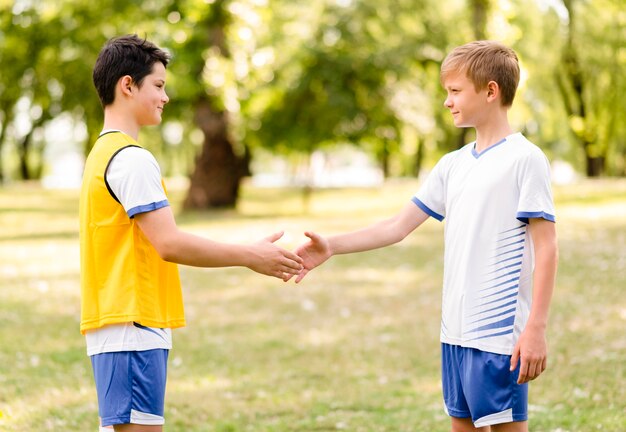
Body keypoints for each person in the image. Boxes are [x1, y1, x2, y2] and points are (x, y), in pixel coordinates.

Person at [290, 40, 558, 432]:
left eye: (454, 91)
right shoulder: (452, 165)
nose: (447, 102)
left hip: (499, 338)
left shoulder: (526, 159)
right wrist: (332, 246)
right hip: (454, 333)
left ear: (490, 91)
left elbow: (547, 247)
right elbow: (396, 227)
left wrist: (536, 326)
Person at [79, 34, 303, 432]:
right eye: (159, 86)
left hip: (120, 325)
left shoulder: (102, 154)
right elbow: (169, 243)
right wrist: (250, 255)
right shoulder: (131, 160)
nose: (165, 97)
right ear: (127, 85)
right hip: (133, 326)